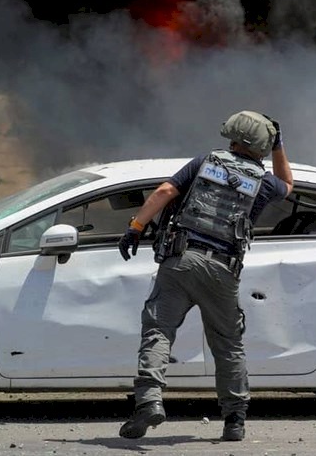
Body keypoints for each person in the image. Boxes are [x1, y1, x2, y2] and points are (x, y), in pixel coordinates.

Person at [116, 110, 293, 442]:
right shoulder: (265, 183)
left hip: (179, 261)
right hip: (223, 271)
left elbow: (165, 192)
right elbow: (289, 183)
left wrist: (135, 228)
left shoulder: (204, 162)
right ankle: (235, 420)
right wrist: (279, 146)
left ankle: (149, 402)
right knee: (227, 345)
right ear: (263, 147)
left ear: (234, 137)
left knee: (158, 332)